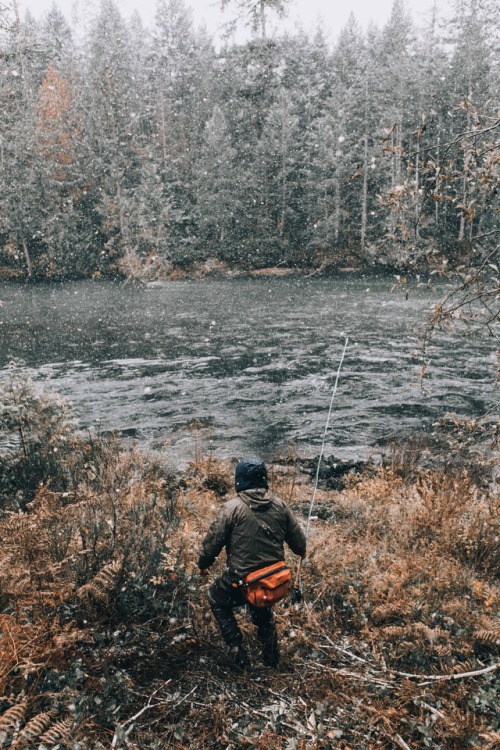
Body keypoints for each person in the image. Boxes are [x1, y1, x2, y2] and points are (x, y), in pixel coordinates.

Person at [197, 455, 306, 671]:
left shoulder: (231, 508)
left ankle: (237, 651)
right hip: (273, 581)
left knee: (216, 598)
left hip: (241, 580)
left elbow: (212, 544)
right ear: (264, 479)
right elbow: (300, 547)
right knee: (261, 607)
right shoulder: (280, 505)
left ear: (239, 481)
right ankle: (271, 660)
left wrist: (203, 563)